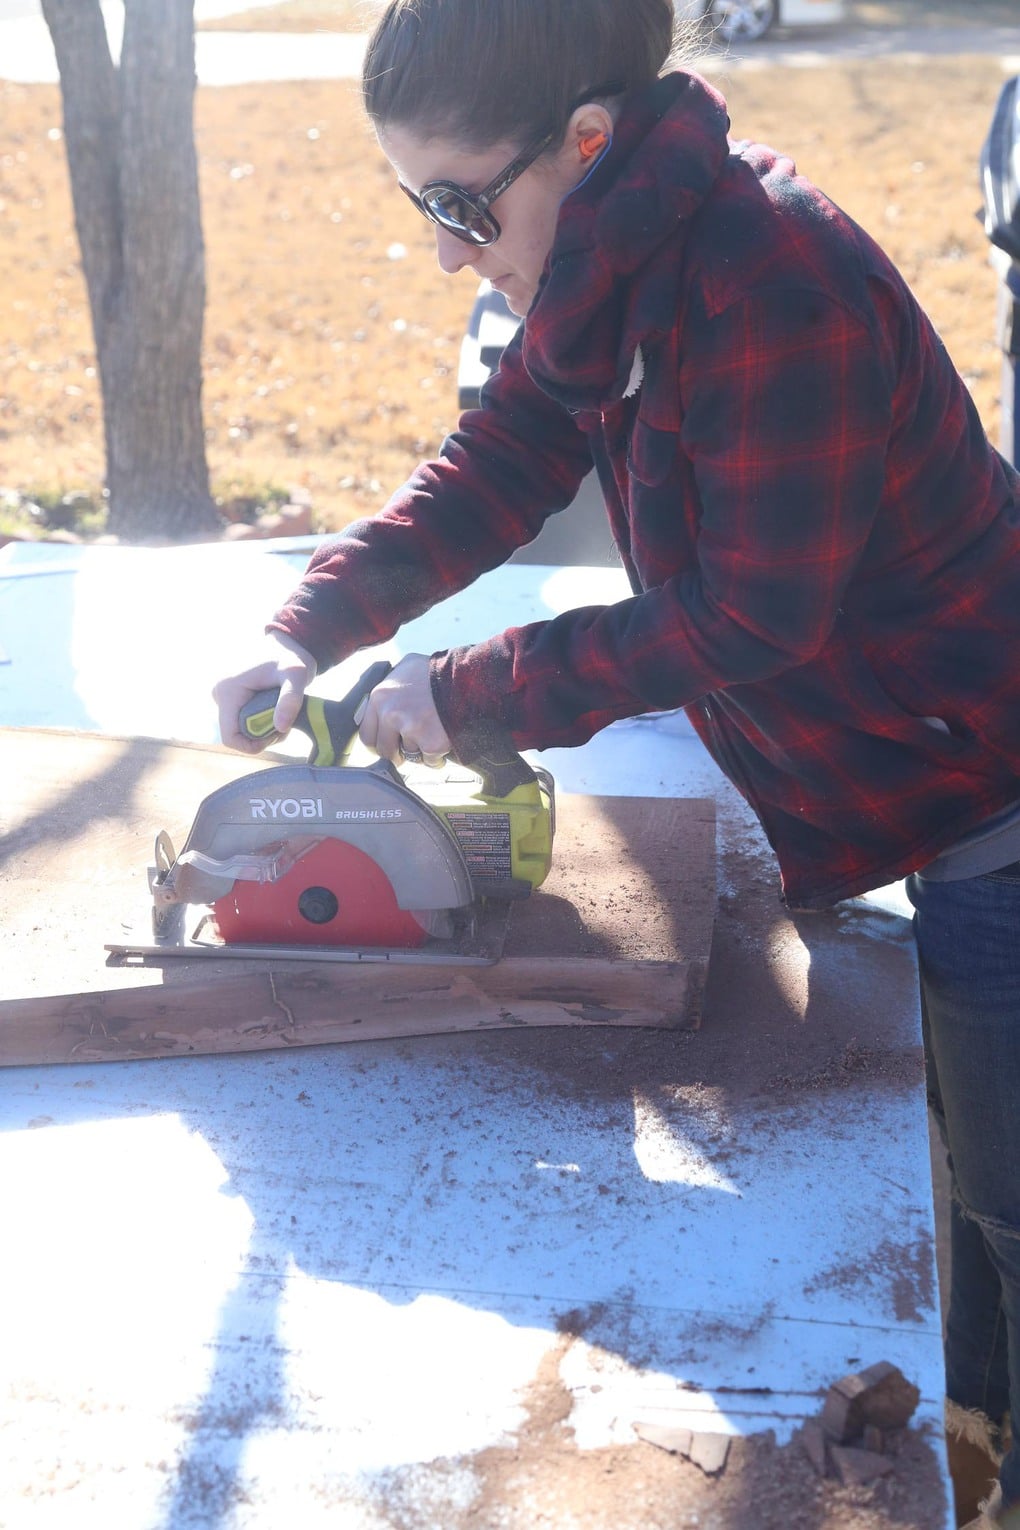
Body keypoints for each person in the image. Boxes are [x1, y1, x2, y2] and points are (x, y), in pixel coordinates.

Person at [213, 3, 1020, 1522]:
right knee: (960, 1185)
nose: (447, 254)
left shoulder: (775, 281)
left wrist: (472, 689)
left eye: (461, 205)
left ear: (587, 140)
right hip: (889, 764)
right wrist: (309, 625)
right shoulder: (613, 257)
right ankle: (974, 1456)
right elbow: (502, 459)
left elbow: (755, 617)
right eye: (419, 207)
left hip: (991, 780)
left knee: (1005, 1204)